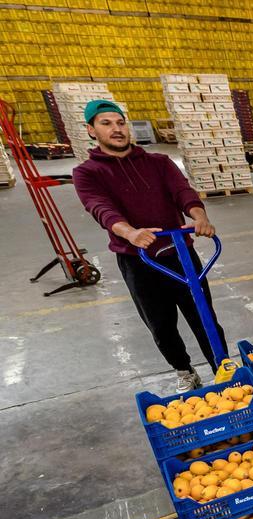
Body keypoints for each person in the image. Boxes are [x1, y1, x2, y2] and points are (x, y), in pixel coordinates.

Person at [73, 99, 225, 393]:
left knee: (203, 315)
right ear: (91, 130)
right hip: (138, 260)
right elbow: (99, 207)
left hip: (179, 252)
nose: (116, 129)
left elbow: (182, 191)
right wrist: (130, 233)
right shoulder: (87, 173)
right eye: (106, 124)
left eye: (120, 122)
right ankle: (184, 370)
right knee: (160, 324)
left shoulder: (158, 162)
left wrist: (199, 216)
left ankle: (222, 367)